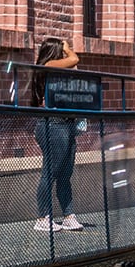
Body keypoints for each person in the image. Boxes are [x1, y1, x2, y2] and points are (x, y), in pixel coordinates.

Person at [28, 37, 85, 233]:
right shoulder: (49, 64)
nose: (63, 53)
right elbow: (74, 59)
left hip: (66, 124)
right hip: (52, 125)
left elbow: (75, 72)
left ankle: (68, 215)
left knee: (65, 174)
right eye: (60, 50)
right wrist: (68, 50)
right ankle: (43, 217)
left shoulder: (56, 69)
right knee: (50, 172)